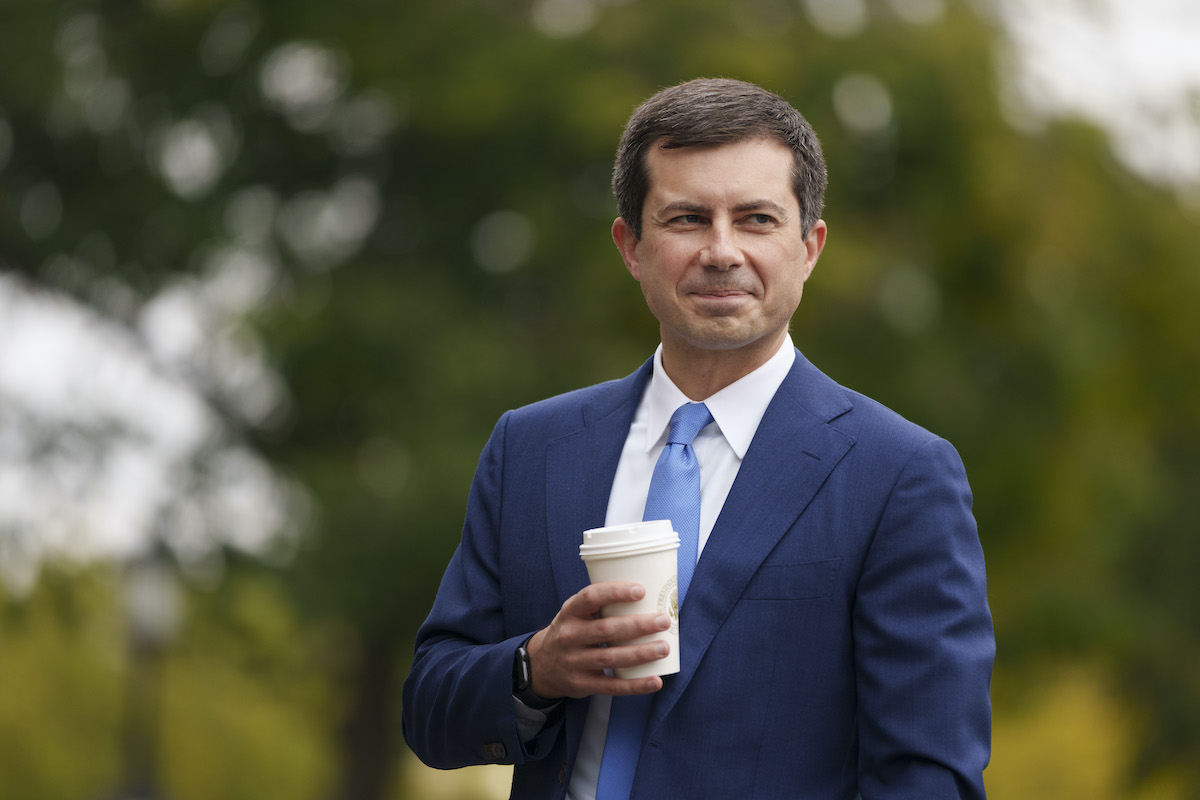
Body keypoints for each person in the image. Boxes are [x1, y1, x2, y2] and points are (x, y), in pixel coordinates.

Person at [402, 77, 994, 800]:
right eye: (687, 219)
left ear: (809, 247)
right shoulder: (532, 448)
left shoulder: (898, 475)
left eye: (756, 220)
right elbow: (429, 707)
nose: (721, 251)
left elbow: (926, 778)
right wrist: (534, 667)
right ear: (631, 245)